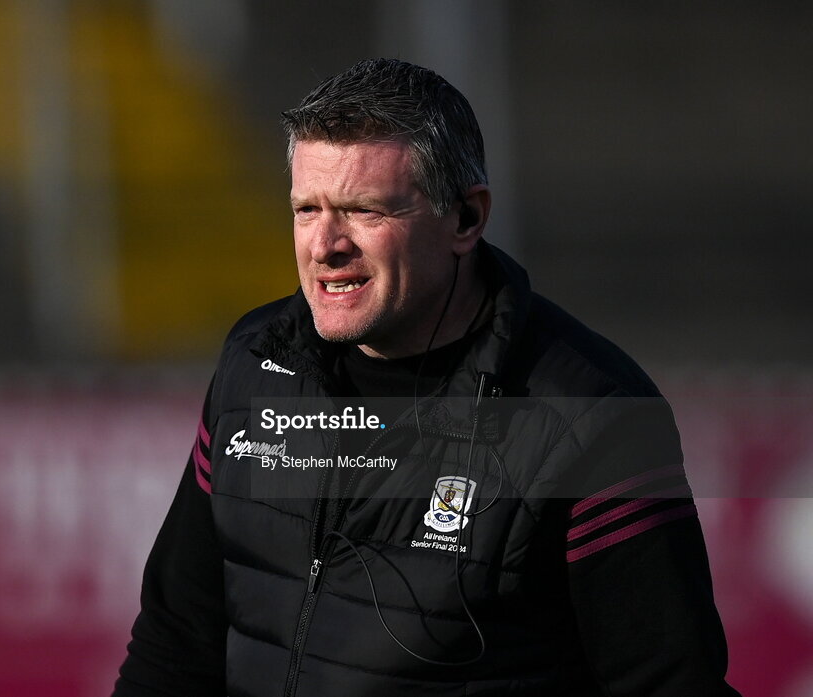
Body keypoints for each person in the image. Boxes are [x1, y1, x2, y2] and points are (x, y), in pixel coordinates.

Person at [112, 58, 739, 696]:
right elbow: (176, 640)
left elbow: (670, 683)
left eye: (363, 211)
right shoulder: (255, 364)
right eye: (306, 209)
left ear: (466, 219)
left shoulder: (591, 417)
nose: (325, 244)